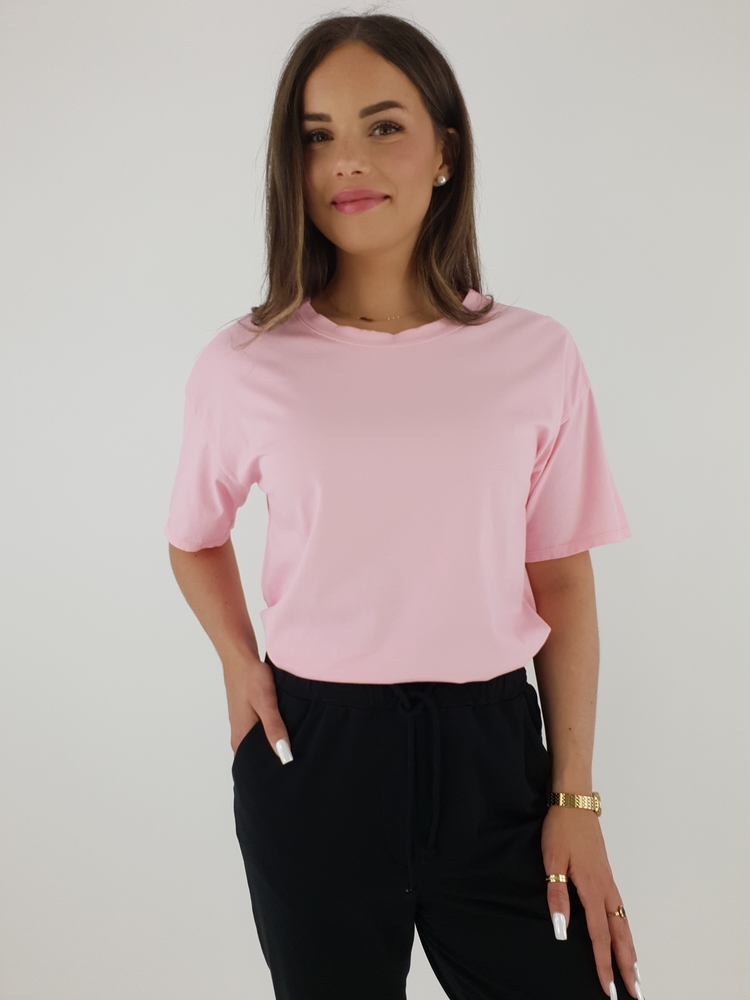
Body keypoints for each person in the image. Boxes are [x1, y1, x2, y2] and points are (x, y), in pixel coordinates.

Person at [165, 13, 645, 1000]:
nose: (347, 159)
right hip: (314, 759)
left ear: (445, 152)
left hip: (495, 762)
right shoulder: (245, 362)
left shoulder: (536, 355)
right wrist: (242, 665)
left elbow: (561, 577)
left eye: (383, 126)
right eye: (317, 135)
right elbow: (194, 538)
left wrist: (576, 798)